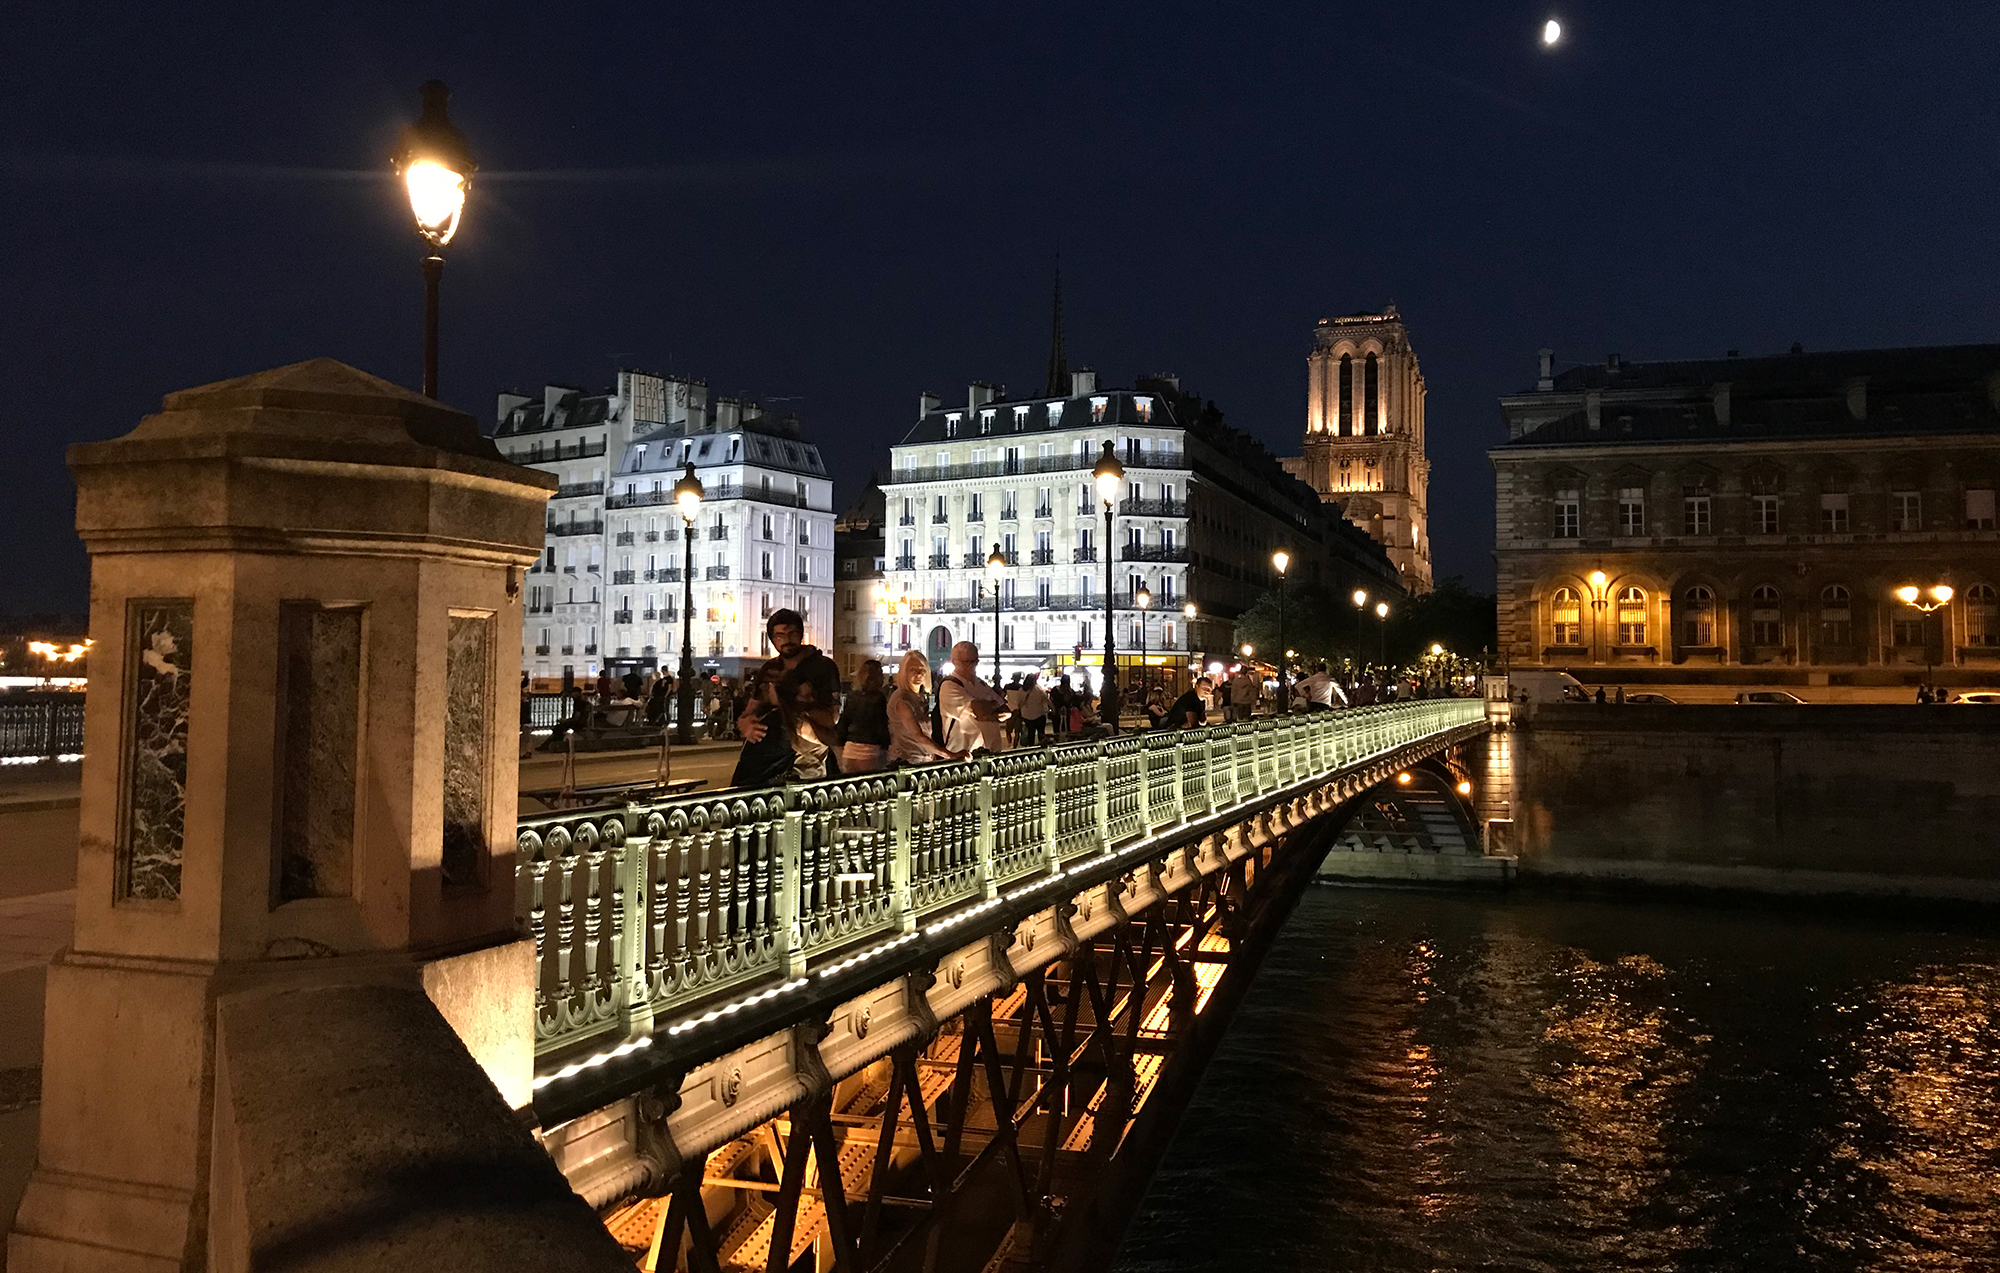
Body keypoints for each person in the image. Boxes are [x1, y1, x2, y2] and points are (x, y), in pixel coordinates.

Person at [738, 609, 822, 744]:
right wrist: (746, 723)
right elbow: (749, 711)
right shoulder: (769, 669)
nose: (786, 640)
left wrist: (790, 702)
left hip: (808, 754)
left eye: (792, 634)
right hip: (769, 750)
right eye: (779, 636)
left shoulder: (821, 666)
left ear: (800, 634)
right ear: (772, 639)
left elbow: (832, 718)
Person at [937, 641, 1008, 754]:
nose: (972, 665)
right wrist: (993, 706)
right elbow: (978, 709)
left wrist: (986, 712)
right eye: (966, 662)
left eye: (975, 661)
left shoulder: (980, 683)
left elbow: (1006, 711)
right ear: (954, 662)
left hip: (992, 752)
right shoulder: (949, 685)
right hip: (964, 754)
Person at [888, 651, 958, 766]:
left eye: (922, 669)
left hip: (923, 759)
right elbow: (918, 736)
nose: (919, 674)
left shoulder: (920, 697)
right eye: (912, 670)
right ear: (904, 672)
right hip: (906, 762)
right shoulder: (902, 699)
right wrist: (949, 755)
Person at [836, 660, 891, 773]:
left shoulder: (851, 695)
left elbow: (844, 722)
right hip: (870, 750)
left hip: (850, 750)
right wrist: (887, 744)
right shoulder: (878, 698)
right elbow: (881, 726)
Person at [1018, 677, 1050, 745]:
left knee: (1030, 733)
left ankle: (1031, 748)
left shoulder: (1021, 690)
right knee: (1041, 733)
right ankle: (1041, 748)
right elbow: (1045, 699)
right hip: (1039, 714)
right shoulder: (1038, 689)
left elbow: (1019, 702)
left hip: (1027, 715)